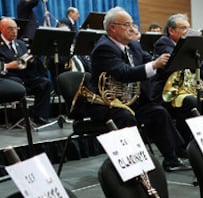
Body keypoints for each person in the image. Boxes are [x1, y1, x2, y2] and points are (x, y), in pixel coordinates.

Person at [72, 7, 188, 172]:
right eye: (127, 25)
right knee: (125, 117)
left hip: (129, 99)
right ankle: (133, 165)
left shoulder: (133, 45)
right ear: (113, 27)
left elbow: (151, 62)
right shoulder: (104, 48)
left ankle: (172, 159)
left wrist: (172, 60)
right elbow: (123, 73)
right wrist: (155, 64)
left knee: (157, 111)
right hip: (105, 103)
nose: (132, 29)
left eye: (132, 24)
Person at [151, 13, 203, 147]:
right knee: (190, 102)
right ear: (171, 31)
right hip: (168, 93)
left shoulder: (187, 45)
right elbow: (177, 57)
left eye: (189, 28)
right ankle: (183, 145)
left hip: (186, 90)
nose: (187, 32)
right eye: (184, 28)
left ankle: (202, 138)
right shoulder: (163, 43)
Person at [0, 17, 51, 125]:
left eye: (16, 28)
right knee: (17, 82)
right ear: (2, 29)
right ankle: (18, 117)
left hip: (25, 76)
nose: (14, 31)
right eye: (10, 29)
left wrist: (32, 59)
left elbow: (29, 65)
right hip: (8, 77)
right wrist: (8, 66)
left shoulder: (21, 44)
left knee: (45, 83)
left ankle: (39, 116)